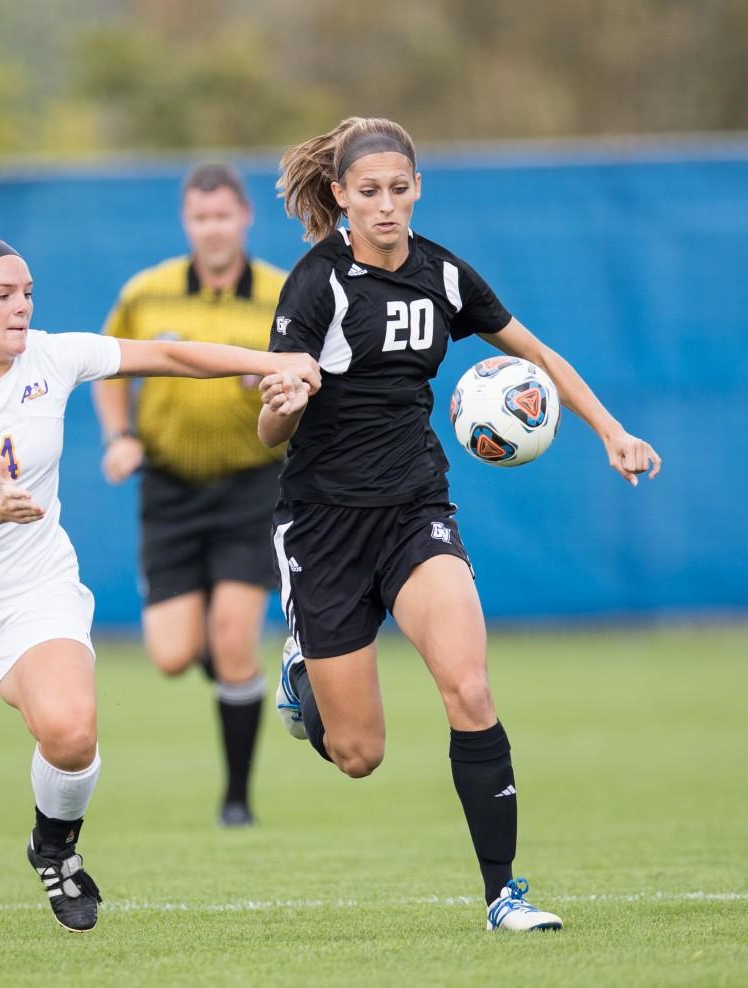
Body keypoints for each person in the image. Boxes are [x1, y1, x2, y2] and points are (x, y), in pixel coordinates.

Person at [256, 117, 661, 932]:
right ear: (339, 196)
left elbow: (538, 354)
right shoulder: (315, 284)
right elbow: (267, 432)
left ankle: (503, 894)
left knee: (470, 688)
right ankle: (304, 672)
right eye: (367, 192)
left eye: (399, 189)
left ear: (417, 188)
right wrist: (283, 403)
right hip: (324, 530)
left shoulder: (443, 275)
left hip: (415, 511)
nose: (385, 206)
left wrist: (611, 430)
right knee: (357, 755)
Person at [0, 234, 319, 944]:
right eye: (2, 295)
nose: (22, 307)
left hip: (33, 586)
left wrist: (275, 361)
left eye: (28, 293)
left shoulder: (52, 355)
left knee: (72, 735)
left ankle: (55, 847)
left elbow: (170, 355)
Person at [93, 163, 287, 827]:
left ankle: (237, 800)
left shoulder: (283, 294)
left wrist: (275, 389)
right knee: (174, 656)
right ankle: (221, 657)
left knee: (236, 642)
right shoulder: (146, 294)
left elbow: (313, 374)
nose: (213, 228)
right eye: (200, 217)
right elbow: (105, 368)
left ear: (245, 218)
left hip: (250, 486)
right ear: (187, 222)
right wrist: (119, 434)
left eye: (223, 215)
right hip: (170, 488)